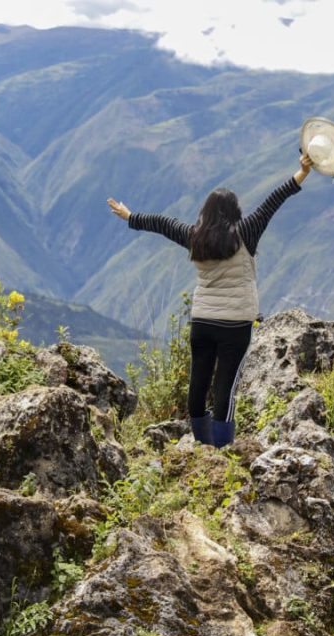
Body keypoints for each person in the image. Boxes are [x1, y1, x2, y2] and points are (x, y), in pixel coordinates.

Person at [107, 152, 313, 447]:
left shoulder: (194, 237)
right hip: (236, 324)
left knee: (198, 382)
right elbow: (274, 200)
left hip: (202, 321)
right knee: (224, 389)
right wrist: (302, 172)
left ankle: (202, 446)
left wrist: (130, 216)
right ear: (234, 212)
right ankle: (222, 450)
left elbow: (162, 223)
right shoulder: (247, 231)